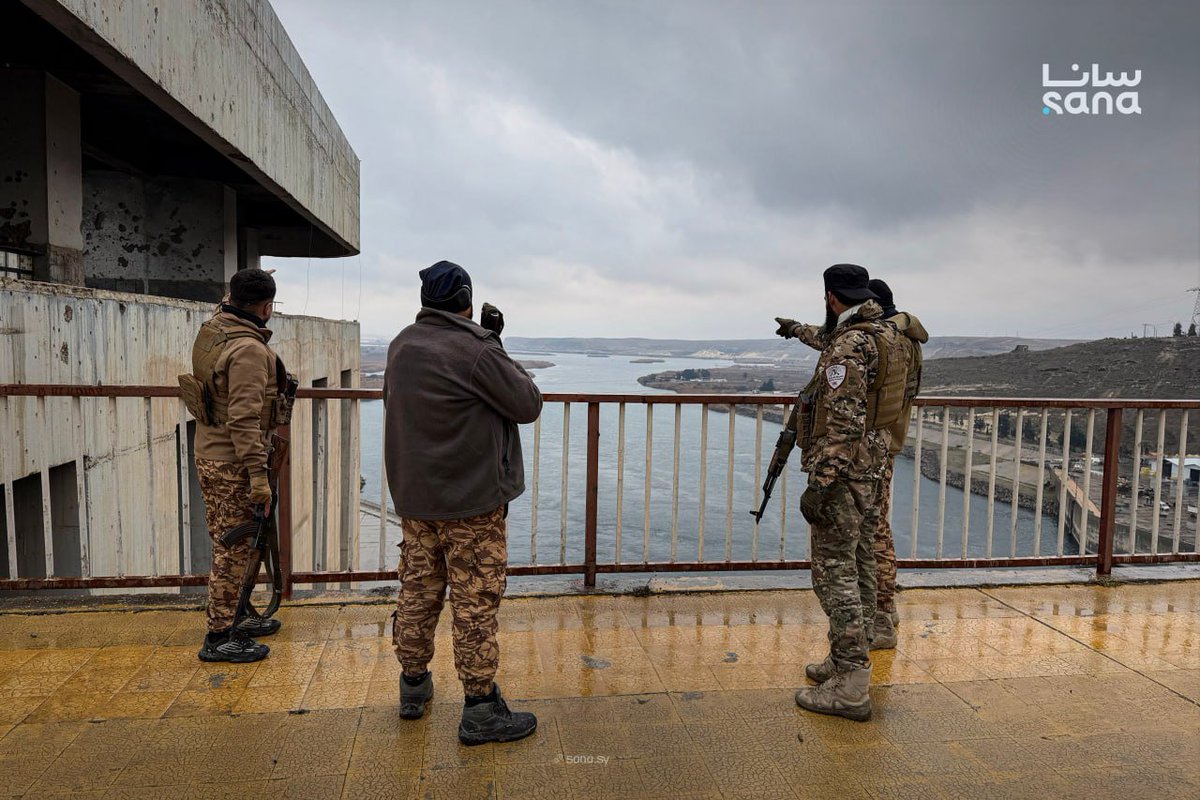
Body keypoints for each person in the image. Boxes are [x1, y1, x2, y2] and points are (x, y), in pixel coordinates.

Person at [384, 260, 543, 745]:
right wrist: (493, 342)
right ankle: (479, 709)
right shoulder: (474, 349)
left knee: (418, 589)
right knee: (474, 603)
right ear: (466, 301)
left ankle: (413, 685)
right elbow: (527, 404)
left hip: (416, 498)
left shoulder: (401, 345)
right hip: (470, 502)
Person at [775, 264, 905, 721]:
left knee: (834, 575)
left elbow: (843, 421)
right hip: (873, 466)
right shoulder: (883, 334)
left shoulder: (849, 345)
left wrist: (822, 483)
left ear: (831, 296)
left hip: (845, 474)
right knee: (862, 562)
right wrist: (795, 330)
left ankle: (850, 683)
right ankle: (849, 659)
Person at [188, 268, 289, 663]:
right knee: (233, 547)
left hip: (211, 454)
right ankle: (219, 637)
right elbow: (244, 420)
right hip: (233, 463)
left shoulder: (214, 329)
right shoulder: (248, 350)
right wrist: (259, 477)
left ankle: (238, 615)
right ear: (267, 307)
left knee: (234, 541)